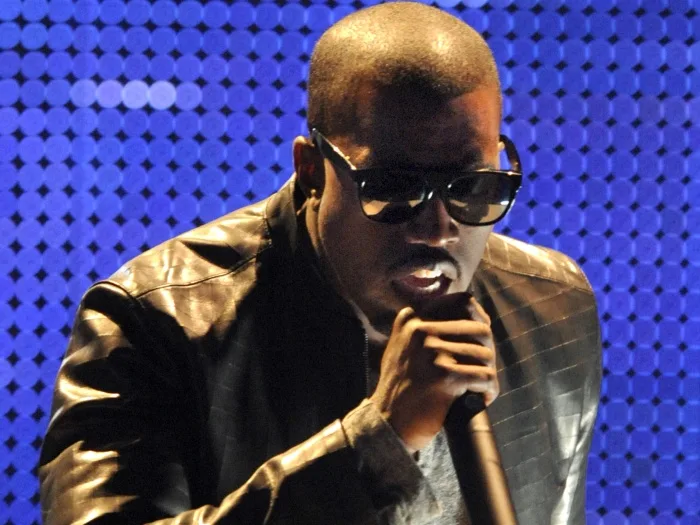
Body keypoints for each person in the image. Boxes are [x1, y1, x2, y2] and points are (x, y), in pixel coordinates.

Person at [39, 3, 601, 524]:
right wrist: (376, 441)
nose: (437, 229)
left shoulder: (553, 304)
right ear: (311, 169)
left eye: (474, 186)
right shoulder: (156, 319)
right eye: (393, 187)